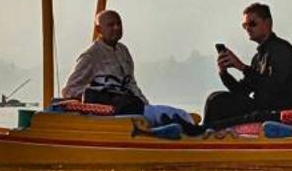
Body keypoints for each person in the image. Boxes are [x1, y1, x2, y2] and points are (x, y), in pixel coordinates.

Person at [60, 10, 196, 135]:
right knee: (175, 114)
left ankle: (186, 133)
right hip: (116, 111)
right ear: (99, 29)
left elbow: (131, 83)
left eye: (119, 24)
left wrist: (145, 104)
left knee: (174, 115)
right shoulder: (91, 56)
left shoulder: (123, 51)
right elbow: (70, 90)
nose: (116, 28)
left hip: (132, 105)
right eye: (111, 25)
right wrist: (102, 95)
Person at [200, 2, 292, 132]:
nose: (248, 28)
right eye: (245, 25)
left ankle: (204, 133)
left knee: (218, 101)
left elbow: (273, 88)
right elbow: (241, 91)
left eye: (252, 23)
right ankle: (205, 133)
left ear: (268, 23)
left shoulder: (281, 50)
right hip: (262, 109)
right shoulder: (258, 58)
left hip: (279, 112)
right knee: (216, 97)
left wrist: (242, 67)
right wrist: (224, 72)